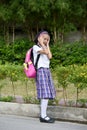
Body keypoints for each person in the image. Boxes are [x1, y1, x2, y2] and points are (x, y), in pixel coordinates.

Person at [33, 30, 56, 123]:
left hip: (47, 71)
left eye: (47, 39)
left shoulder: (46, 47)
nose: (46, 40)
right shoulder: (35, 47)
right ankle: (43, 116)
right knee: (45, 94)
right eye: (44, 38)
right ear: (38, 38)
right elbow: (46, 52)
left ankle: (43, 115)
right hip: (41, 70)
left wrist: (47, 44)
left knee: (46, 94)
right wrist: (42, 43)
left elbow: (50, 56)